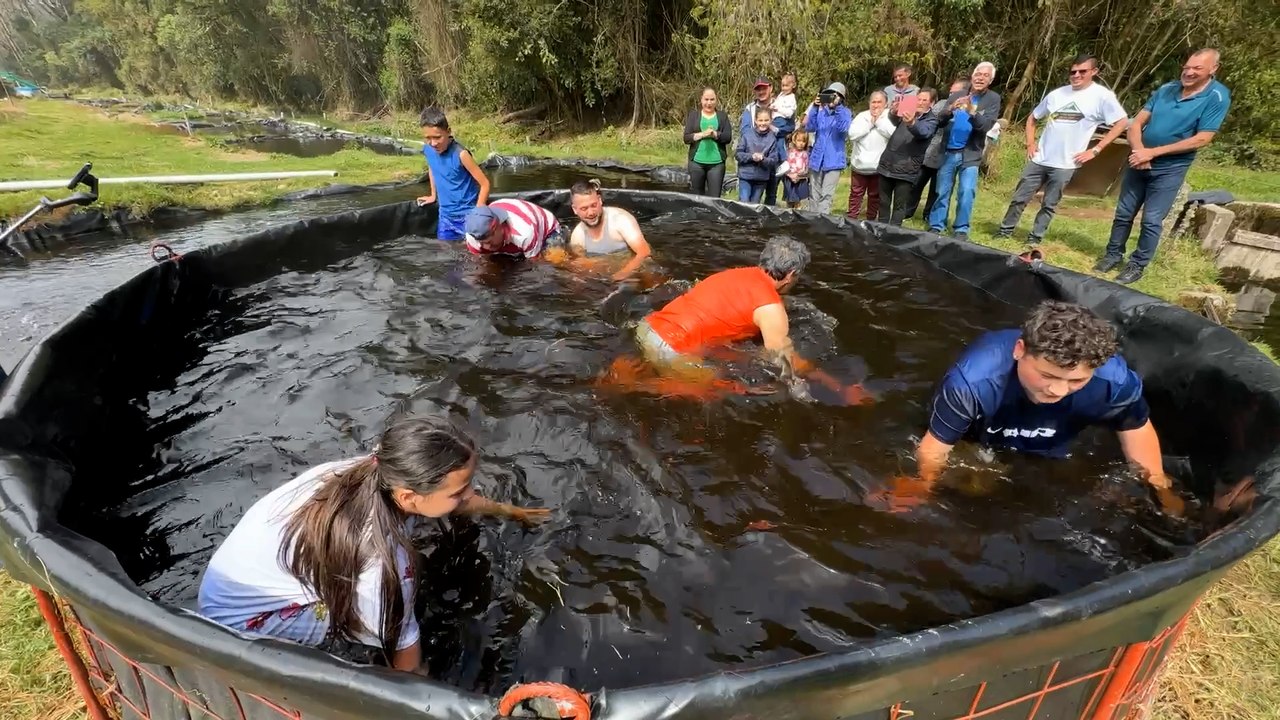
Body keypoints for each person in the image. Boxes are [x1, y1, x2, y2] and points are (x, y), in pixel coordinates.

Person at [198, 416, 549, 673]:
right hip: (243, 630)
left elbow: (455, 501)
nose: (470, 495)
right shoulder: (384, 566)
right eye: (460, 491)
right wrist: (419, 681)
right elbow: (405, 656)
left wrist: (508, 510)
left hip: (233, 584)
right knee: (392, 622)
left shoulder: (372, 471)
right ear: (409, 496)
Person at [887, 301, 1174, 512]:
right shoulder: (972, 382)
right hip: (979, 435)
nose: (1058, 390)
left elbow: (1136, 427)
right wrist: (922, 484)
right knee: (975, 488)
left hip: (1053, 440)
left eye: (1076, 380)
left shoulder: (1114, 382)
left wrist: (1158, 485)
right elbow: (935, 447)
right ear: (1020, 350)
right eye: (1048, 375)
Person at [627, 237, 871, 404]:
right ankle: (630, 386)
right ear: (791, 275)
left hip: (647, 328)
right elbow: (784, 359)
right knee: (718, 393)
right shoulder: (771, 308)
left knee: (726, 359)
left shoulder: (736, 273)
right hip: (670, 348)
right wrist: (826, 388)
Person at [1096, 48, 1231, 285]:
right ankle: (1112, 255)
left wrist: (1153, 153)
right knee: (1123, 213)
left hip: (1169, 169)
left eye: (1196, 69)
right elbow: (1136, 123)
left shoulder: (1217, 96)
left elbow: (1202, 138)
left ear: (1213, 69)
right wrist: (1139, 152)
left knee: (1151, 220)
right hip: (1138, 160)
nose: (1188, 72)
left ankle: (1137, 265)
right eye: (1187, 67)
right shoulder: (1166, 89)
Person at [997, 54, 1129, 246]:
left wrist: (1096, 150)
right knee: (1019, 198)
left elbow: (1122, 122)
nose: (1076, 75)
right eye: (1073, 71)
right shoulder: (1057, 94)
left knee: (1049, 204)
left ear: (1094, 72)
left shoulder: (1102, 97)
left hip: (1066, 163)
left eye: (1082, 71)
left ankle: (1035, 238)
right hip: (1040, 158)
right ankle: (1004, 231)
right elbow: (1033, 118)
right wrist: (1030, 143)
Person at [928, 62, 1002, 241]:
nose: (980, 78)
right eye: (978, 74)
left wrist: (971, 112)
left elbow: (985, 126)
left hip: (971, 153)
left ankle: (961, 229)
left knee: (967, 191)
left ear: (990, 80)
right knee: (942, 191)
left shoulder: (993, 99)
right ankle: (936, 225)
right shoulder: (958, 94)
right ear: (972, 76)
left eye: (985, 75)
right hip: (948, 151)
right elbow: (940, 120)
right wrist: (950, 109)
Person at [415, 107, 491, 242]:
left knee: (475, 259)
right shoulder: (428, 150)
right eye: (428, 138)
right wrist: (433, 195)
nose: (433, 143)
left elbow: (485, 184)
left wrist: (478, 213)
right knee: (445, 254)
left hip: (468, 217)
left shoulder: (461, 154)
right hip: (446, 218)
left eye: (438, 137)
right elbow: (432, 168)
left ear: (448, 132)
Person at [561, 179, 653, 281]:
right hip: (607, 278)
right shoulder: (578, 235)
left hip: (635, 272)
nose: (590, 212)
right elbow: (582, 265)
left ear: (600, 200)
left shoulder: (620, 220)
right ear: (575, 209)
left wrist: (621, 275)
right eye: (584, 209)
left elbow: (644, 252)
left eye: (593, 205)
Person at [908, 76, 968, 221]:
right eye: (951, 92)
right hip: (930, 151)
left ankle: (929, 215)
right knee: (916, 183)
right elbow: (932, 120)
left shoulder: (969, 109)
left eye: (955, 92)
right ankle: (907, 211)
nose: (951, 95)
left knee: (938, 189)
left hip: (948, 154)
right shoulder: (942, 104)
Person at [876, 87, 938, 226]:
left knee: (899, 206)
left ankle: (894, 234)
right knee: (883, 202)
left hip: (906, 168)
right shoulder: (909, 109)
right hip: (888, 162)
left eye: (924, 100)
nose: (920, 102)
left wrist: (911, 122)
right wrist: (893, 111)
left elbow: (923, 133)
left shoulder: (932, 120)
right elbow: (894, 121)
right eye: (919, 99)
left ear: (932, 103)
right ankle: (880, 231)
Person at [805, 82, 853, 214]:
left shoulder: (845, 112)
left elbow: (843, 128)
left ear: (841, 97)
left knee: (826, 196)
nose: (832, 97)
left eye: (835, 95)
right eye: (829, 94)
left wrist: (837, 108)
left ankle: (822, 223)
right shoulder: (821, 113)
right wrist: (815, 107)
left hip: (834, 161)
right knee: (814, 195)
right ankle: (812, 221)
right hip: (817, 160)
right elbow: (809, 127)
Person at [847, 90, 896, 220]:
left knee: (875, 196)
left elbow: (893, 135)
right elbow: (852, 134)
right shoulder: (862, 116)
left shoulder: (890, 117)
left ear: (886, 104)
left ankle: (871, 220)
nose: (876, 105)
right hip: (860, 164)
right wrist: (870, 123)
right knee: (856, 194)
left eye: (879, 102)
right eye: (873, 102)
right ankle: (851, 219)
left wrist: (878, 122)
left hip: (878, 167)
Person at [463, 199, 563, 259]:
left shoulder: (524, 233)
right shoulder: (472, 237)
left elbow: (535, 266)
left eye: (489, 242)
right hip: (509, 215)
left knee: (554, 260)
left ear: (499, 227)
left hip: (546, 228)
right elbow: (478, 262)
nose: (487, 247)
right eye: (482, 243)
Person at [740, 75, 783, 206]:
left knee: (771, 192)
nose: (761, 92)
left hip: (775, 154)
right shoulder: (750, 108)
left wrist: (772, 130)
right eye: (758, 89)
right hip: (753, 158)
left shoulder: (781, 105)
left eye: (763, 88)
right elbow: (745, 130)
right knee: (748, 199)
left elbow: (787, 127)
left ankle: (767, 223)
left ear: (770, 88)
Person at [683, 87, 733, 197]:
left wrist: (715, 134)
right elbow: (686, 138)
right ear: (701, 100)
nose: (709, 103)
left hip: (717, 164)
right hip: (696, 163)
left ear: (716, 100)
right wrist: (702, 134)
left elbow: (728, 137)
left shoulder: (722, 116)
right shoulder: (694, 116)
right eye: (706, 99)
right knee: (696, 198)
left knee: (715, 199)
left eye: (712, 99)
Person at [736, 107, 782, 204]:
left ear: (770, 121)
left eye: (766, 120)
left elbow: (773, 160)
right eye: (760, 120)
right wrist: (751, 157)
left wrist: (763, 159)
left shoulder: (772, 139)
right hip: (745, 176)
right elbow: (738, 154)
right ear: (756, 121)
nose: (763, 123)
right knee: (744, 202)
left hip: (761, 178)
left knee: (754, 205)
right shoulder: (747, 135)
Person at [782, 131, 811, 210]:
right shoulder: (789, 152)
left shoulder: (806, 154)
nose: (801, 143)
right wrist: (790, 175)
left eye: (803, 141)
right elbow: (786, 166)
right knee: (790, 199)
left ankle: (798, 215)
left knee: (800, 201)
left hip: (801, 179)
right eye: (799, 141)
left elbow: (807, 167)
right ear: (794, 141)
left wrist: (801, 176)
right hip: (790, 178)